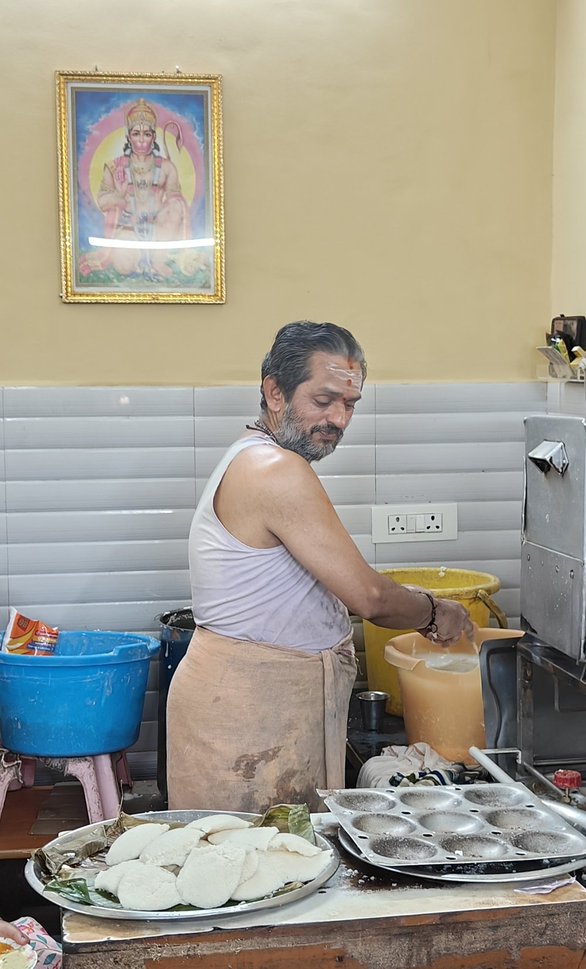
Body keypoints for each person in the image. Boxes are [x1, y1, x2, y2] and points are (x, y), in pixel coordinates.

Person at [166, 321, 472, 812]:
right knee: (253, 872)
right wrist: (436, 612)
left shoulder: (256, 459)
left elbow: (302, 587)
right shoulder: (275, 470)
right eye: (324, 400)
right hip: (248, 712)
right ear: (275, 392)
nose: (340, 419)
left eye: (349, 405)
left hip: (259, 705)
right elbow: (368, 599)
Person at [82, 98, 193, 280]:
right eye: (136, 134)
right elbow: (102, 202)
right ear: (128, 137)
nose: (141, 140)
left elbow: (176, 203)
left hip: (158, 230)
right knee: (123, 267)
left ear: (154, 137)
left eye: (147, 134)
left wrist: (168, 204)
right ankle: (138, 259)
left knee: (177, 206)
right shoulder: (114, 167)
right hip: (127, 230)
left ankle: (158, 259)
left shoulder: (167, 167)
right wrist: (120, 195)